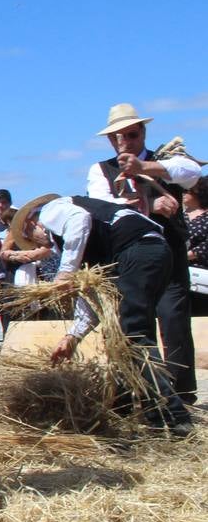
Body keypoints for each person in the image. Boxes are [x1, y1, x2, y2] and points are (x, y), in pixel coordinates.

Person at [11, 194, 193, 435]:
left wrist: (65, 273)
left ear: (31, 224)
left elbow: (79, 220)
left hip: (138, 251)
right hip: (150, 253)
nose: (38, 247)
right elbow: (91, 296)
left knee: (134, 337)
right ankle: (154, 416)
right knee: (130, 337)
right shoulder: (83, 244)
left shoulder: (52, 210)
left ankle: (176, 417)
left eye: (31, 240)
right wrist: (73, 337)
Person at [86, 104, 199, 406]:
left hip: (170, 253)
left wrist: (145, 170)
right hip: (130, 258)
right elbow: (101, 203)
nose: (124, 142)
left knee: (174, 320)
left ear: (143, 133)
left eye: (131, 135)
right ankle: (142, 396)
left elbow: (192, 172)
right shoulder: (101, 170)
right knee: (135, 326)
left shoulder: (165, 161)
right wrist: (147, 202)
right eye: (117, 137)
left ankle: (180, 397)